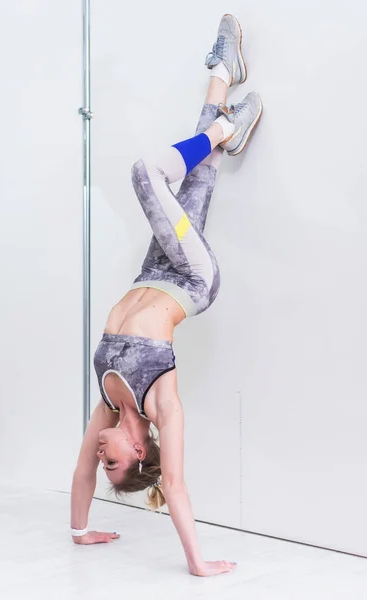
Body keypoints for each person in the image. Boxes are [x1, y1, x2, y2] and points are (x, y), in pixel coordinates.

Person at [70, 14, 262, 577]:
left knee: (197, 175)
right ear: (140, 451)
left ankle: (224, 73)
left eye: (104, 467)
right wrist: (198, 563)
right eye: (116, 466)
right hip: (193, 278)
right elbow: (174, 484)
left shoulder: (108, 403)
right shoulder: (162, 406)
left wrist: (80, 530)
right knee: (146, 173)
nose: (101, 463)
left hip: (154, 267)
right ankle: (230, 127)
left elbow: (79, 473)